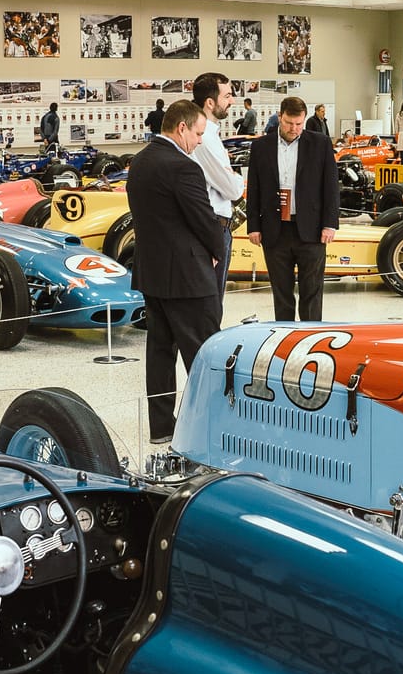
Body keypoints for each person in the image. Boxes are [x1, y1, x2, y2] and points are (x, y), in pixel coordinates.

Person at [127, 102, 225, 444]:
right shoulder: (183, 167)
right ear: (181, 128)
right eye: (198, 133)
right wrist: (218, 250)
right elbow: (204, 219)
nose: (199, 141)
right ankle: (210, 428)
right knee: (204, 354)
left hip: (152, 274)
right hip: (187, 277)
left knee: (159, 353)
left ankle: (161, 428)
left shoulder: (138, 162)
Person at [247, 97, 340, 321]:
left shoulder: (320, 144)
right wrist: (253, 226)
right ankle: (284, 342)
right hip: (275, 230)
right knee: (282, 294)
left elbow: (331, 187)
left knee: (312, 293)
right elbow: (254, 189)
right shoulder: (261, 146)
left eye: (299, 124)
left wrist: (330, 224)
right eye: (289, 123)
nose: (294, 129)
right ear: (280, 117)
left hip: (312, 230)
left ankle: (309, 340)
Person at [188, 71, 244, 287]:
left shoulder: (210, 135)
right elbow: (233, 190)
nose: (233, 100)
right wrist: (236, 178)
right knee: (211, 302)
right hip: (213, 227)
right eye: (228, 96)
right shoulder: (206, 139)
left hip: (218, 225)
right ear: (210, 103)